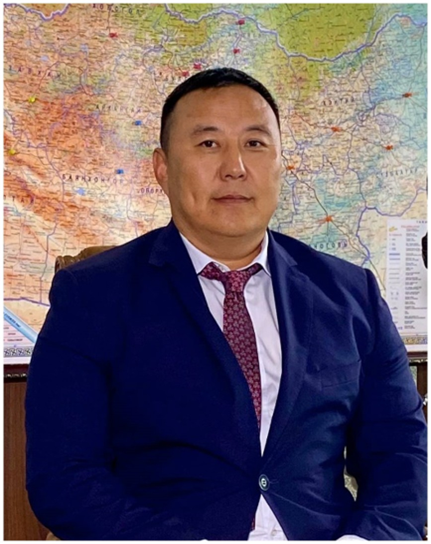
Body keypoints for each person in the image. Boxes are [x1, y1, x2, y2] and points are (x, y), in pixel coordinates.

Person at [25, 67, 427, 541]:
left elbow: (401, 451)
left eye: (255, 143)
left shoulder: (351, 293)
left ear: (281, 164)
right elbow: (64, 476)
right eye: (208, 143)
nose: (235, 166)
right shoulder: (92, 295)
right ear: (162, 168)